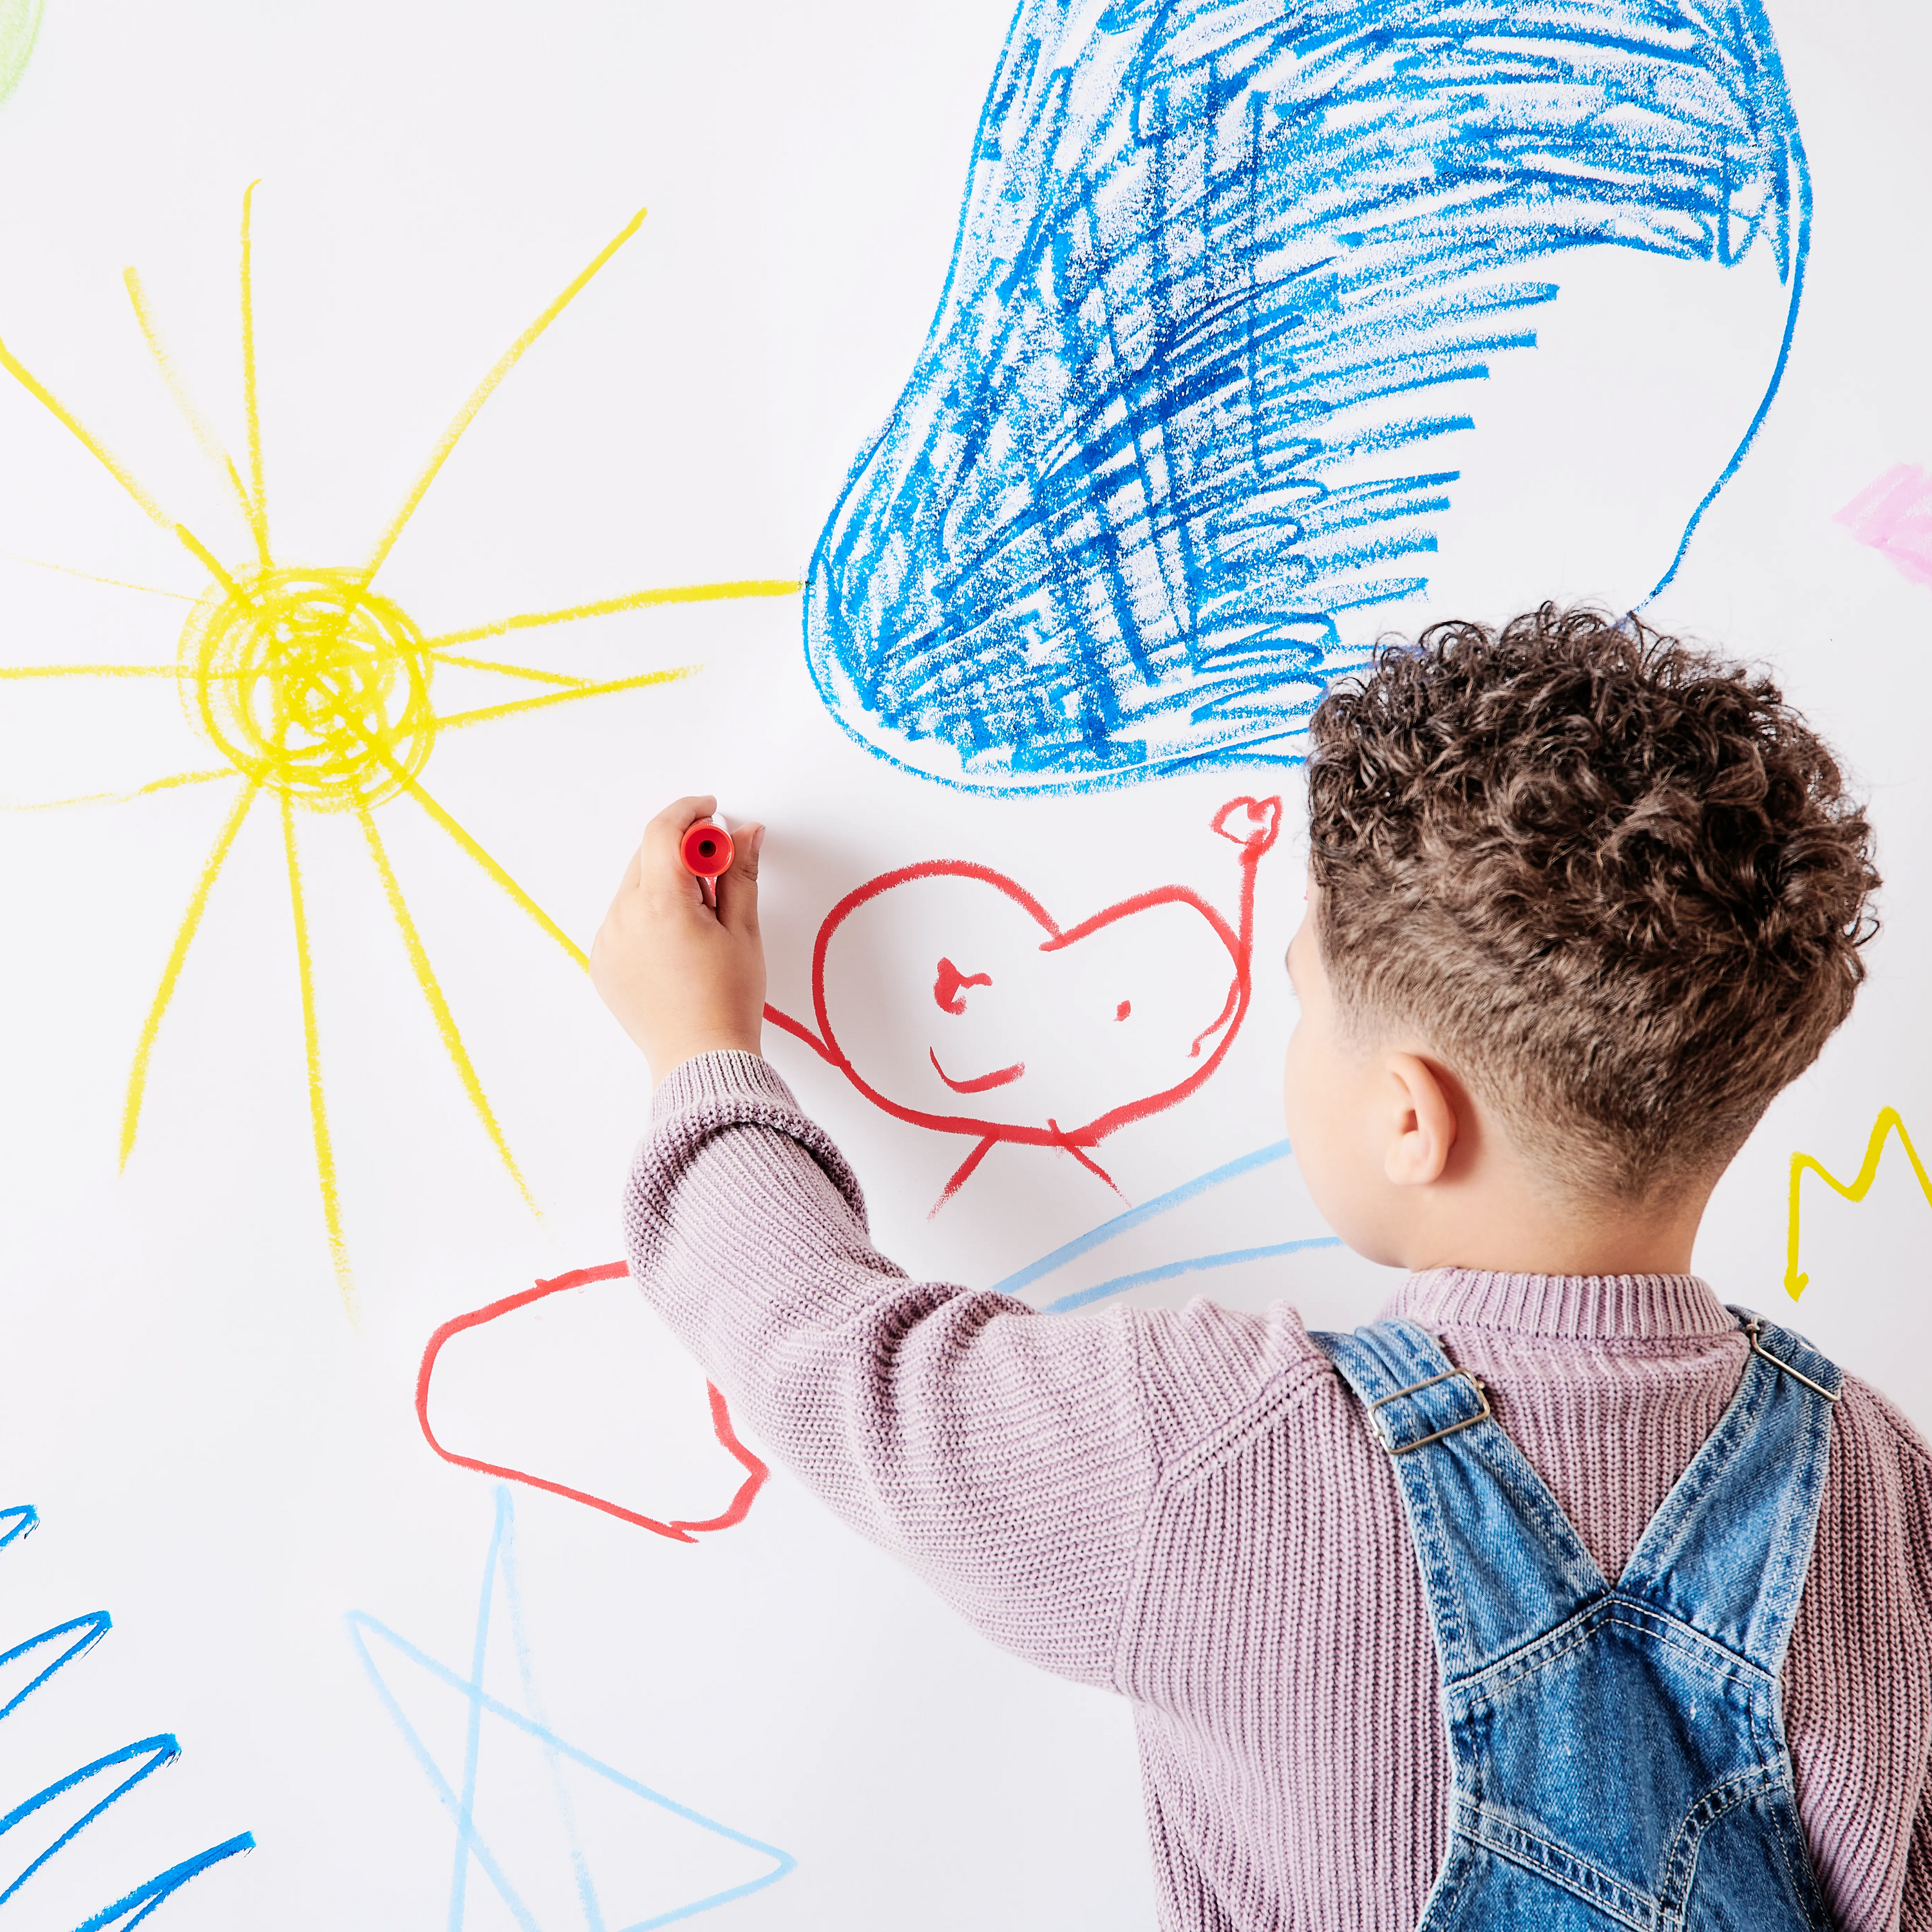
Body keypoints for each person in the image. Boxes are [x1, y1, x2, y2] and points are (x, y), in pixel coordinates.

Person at [590, 606, 1932, 1931]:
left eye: (1305, 996)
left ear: (1413, 1118)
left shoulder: (1230, 1451)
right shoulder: (1881, 1478)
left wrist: (699, 1048)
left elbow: (828, 1349)